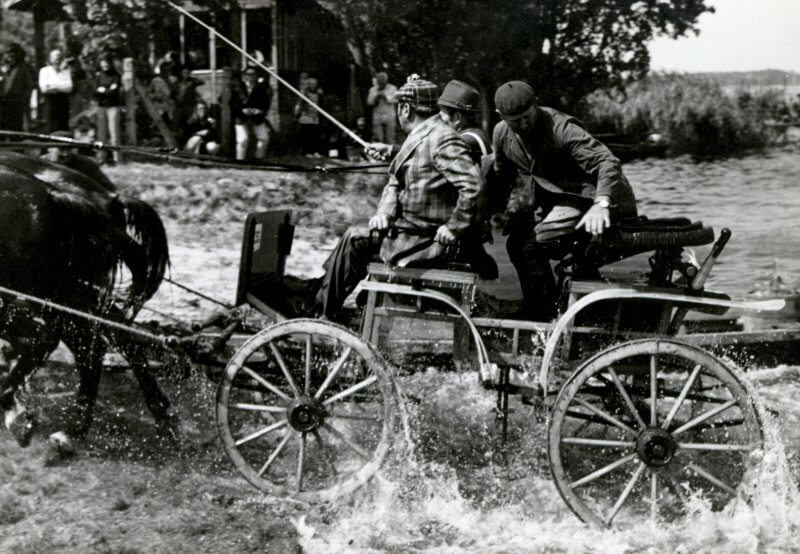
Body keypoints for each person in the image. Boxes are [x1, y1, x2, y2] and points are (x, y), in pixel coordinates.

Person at [311, 76, 483, 321]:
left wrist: (454, 227)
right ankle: (321, 296)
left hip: (424, 239)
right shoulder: (423, 134)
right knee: (354, 238)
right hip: (410, 230)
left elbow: (473, 185)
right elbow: (395, 181)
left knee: (354, 238)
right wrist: (384, 212)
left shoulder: (442, 138)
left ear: (405, 109)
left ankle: (323, 314)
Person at [489, 80, 637, 321]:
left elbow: (607, 162)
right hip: (559, 202)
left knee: (541, 239)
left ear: (536, 105)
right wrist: (494, 214)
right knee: (518, 243)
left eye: (527, 116)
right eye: (515, 121)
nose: (523, 124)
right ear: (501, 116)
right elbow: (502, 174)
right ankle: (544, 313)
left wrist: (601, 203)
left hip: (597, 199)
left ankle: (564, 312)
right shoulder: (501, 134)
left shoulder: (561, 127)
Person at [231, 66, 271, 160]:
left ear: (256, 76)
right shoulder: (237, 88)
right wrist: (242, 110)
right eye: (248, 74)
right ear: (244, 76)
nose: (250, 76)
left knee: (264, 138)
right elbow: (232, 104)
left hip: (256, 118)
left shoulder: (261, 88)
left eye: (253, 74)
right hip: (241, 117)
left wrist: (260, 110)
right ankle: (240, 161)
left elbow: (266, 103)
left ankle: (258, 160)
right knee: (243, 140)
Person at [93, 54, 124, 163]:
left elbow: (114, 92)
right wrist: (107, 90)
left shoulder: (116, 76)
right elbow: (95, 92)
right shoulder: (98, 76)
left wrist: (103, 90)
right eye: (102, 62)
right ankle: (101, 159)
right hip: (101, 107)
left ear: (110, 63)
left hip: (113, 107)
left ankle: (117, 159)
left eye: (106, 62)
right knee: (101, 135)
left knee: (114, 134)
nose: (104, 65)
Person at [0, 44, 34, 132]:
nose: (10, 57)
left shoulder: (23, 68)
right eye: (8, 54)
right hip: (2, 103)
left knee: (15, 127)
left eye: (13, 55)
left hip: (16, 103)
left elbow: (29, 86)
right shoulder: (3, 69)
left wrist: (23, 100)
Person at [38, 49, 74, 133]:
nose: (57, 58)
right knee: (50, 126)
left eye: (59, 56)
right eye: (55, 56)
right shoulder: (44, 71)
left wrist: (53, 86)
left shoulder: (66, 72)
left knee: (63, 126)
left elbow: (69, 88)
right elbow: (44, 89)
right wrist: (62, 87)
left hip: (63, 102)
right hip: (50, 101)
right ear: (50, 59)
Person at [295, 75, 323, 156]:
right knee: (307, 134)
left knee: (315, 134)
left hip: (315, 116)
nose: (314, 85)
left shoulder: (318, 93)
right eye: (312, 84)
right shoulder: (305, 92)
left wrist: (321, 95)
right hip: (306, 116)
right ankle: (307, 151)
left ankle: (314, 151)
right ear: (309, 84)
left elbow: (322, 103)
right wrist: (297, 110)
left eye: (315, 84)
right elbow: (299, 102)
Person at [367, 71, 397, 143]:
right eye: (379, 82)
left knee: (390, 137)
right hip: (377, 115)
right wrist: (376, 98)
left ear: (386, 81)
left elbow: (396, 100)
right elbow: (369, 102)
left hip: (389, 114)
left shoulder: (393, 88)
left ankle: (391, 149)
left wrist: (385, 97)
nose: (381, 84)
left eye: (382, 82)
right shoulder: (373, 89)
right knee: (378, 137)